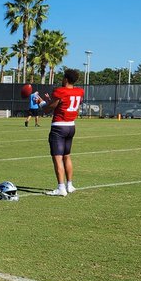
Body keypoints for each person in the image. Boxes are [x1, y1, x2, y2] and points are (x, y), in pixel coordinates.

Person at [42, 69, 85, 197]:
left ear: (66, 79)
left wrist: (43, 104)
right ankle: (70, 185)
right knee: (67, 155)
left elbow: (49, 109)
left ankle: (61, 187)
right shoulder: (79, 91)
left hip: (59, 127)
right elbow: (68, 103)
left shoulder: (60, 91)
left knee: (57, 158)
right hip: (71, 126)